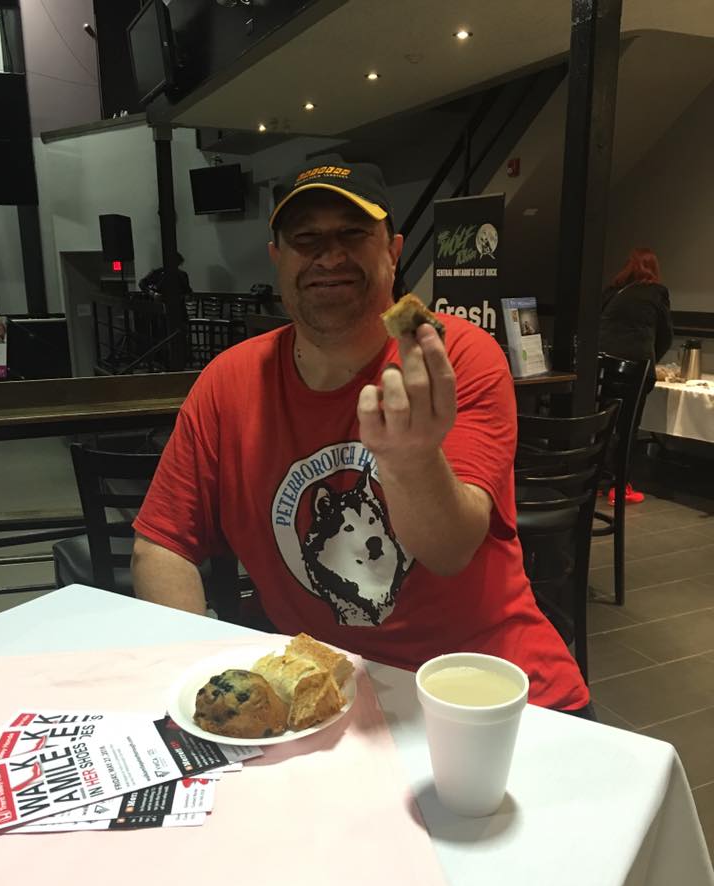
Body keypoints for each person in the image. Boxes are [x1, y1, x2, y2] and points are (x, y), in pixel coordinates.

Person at [131, 157, 591, 717]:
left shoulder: (454, 357)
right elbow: (162, 544)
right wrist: (203, 689)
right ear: (277, 258)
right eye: (306, 239)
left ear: (393, 251)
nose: (329, 256)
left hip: (488, 693)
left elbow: (449, 551)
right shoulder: (228, 383)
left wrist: (412, 461)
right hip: (325, 702)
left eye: (353, 233)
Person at [599, 247, 672, 504]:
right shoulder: (656, 292)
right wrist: (652, 361)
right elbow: (666, 335)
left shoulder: (613, 292)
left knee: (604, 422)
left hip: (605, 366)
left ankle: (597, 479)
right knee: (628, 427)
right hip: (635, 368)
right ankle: (619, 487)